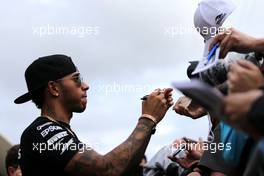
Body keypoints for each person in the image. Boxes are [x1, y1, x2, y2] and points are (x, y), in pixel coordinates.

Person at [14, 54, 174, 176]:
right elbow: (107, 169)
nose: (85, 85)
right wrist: (147, 119)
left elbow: (122, 170)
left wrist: (150, 124)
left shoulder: (57, 131)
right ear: (54, 88)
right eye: (77, 79)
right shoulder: (42, 132)